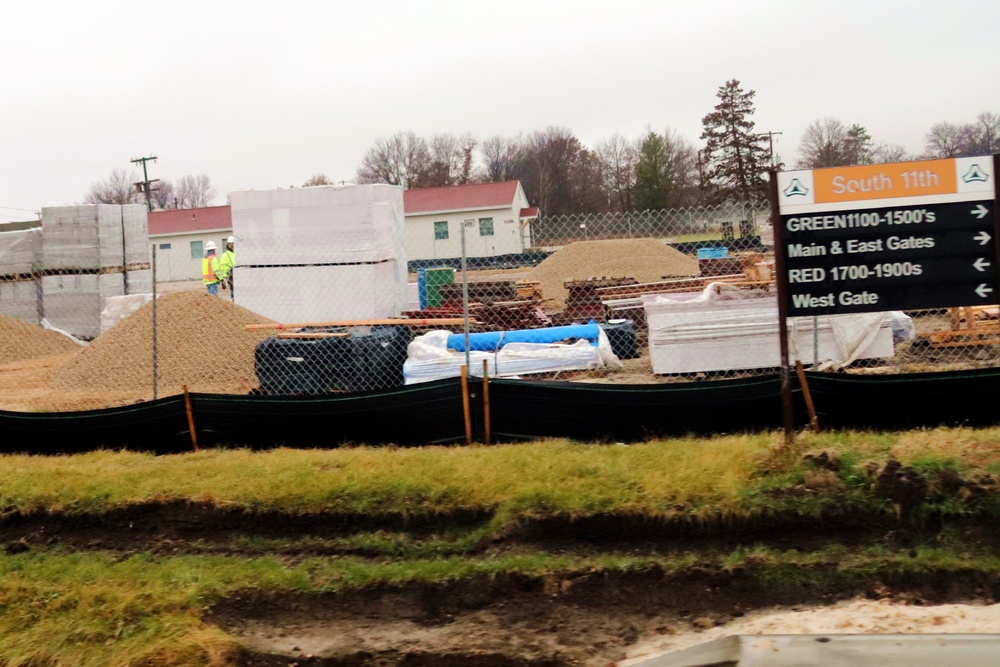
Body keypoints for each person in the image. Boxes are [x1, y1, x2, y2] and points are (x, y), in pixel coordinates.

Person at [219, 235, 236, 300]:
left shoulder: (238, 253)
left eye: (233, 244)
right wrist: (229, 270)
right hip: (231, 276)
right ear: (228, 245)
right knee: (234, 292)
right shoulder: (225, 255)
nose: (232, 245)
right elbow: (222, 266)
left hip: (240, 275)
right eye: (230, 244)